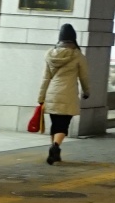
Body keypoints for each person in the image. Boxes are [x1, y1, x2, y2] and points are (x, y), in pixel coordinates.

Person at [36, 24, 90, 166]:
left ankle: (55, 152)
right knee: (63, 125)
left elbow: (45, 78)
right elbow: (84, 76)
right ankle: (55, 147)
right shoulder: (78, 55)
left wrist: (41, 97)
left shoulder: (50, 54)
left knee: (55, 124)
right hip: (68, 94)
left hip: (52, 94)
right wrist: (87, 91)